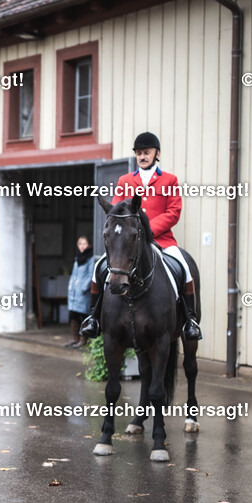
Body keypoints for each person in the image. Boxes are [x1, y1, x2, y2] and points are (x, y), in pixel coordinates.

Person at [80, 132, 202, 341]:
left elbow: (173, 213)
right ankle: (93, 318)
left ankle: (190, 320)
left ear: (157, 154)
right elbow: (116, 210)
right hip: (129, 244)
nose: (142, 156)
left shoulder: (169, 180)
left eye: (146, 152)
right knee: (98, 268)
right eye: (138, 153)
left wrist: (148, 230)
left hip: (162, 240)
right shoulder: (125, 180)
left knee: (185, 268)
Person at [65, 235, 94, 348]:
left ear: (89, 245)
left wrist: (83, 287)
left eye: (84, 244)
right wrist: (71, 286)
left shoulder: (90, 258)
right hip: (73, 292)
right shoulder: (77, 258)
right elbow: (74, 274)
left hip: (83, 293)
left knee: (83, 315)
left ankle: (83, 340)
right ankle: (75, 339)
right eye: (80, 244)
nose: (82, 246)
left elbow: (90, 275)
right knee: (73, 315)